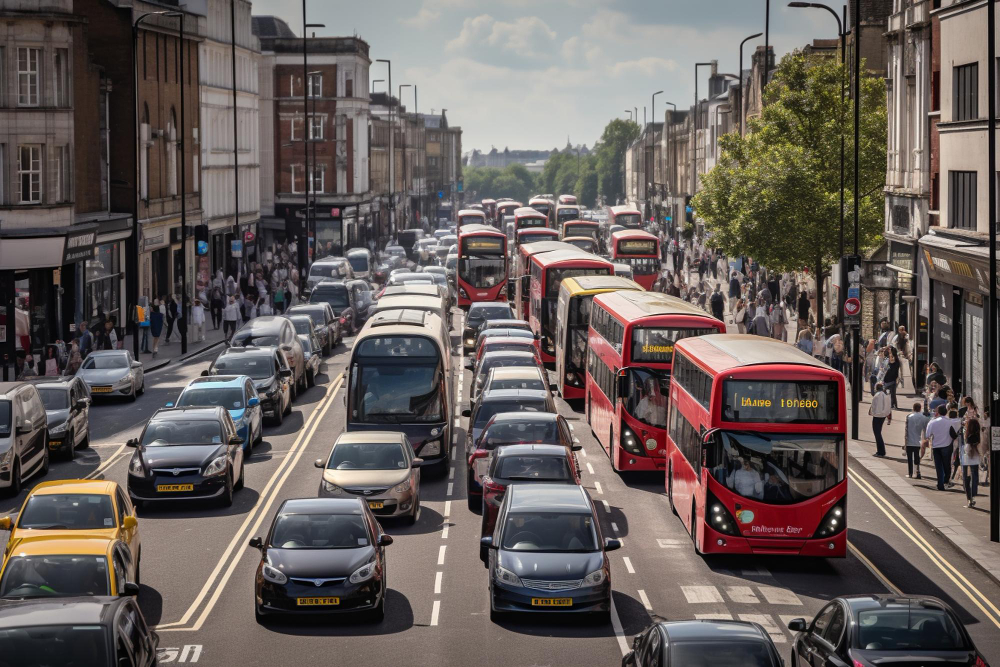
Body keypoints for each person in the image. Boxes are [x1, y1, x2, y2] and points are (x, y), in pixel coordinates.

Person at [926, 404, 958, 491]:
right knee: (947, 465)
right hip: (947, 446)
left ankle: (940, 484)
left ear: (938, 412)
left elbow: (927, 435)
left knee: (938, 466)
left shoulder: (932, 422)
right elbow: (954, 434)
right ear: (946, 412)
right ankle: (945, 481)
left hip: (936, 446)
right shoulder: (950, 422)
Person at [903, 402, 929, 479]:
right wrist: (925, 440)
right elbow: (925, 430)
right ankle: (917, 472)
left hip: (909, 441)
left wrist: (905, 442)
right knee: (917, 457)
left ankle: (910, 473)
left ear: (913, 408)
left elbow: (906, 430)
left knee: (910, 458)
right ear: (920, 408)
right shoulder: (924, 418)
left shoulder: (909, 416)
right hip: (918, 441)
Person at [961, 416, 981, 507]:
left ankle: (969, 498)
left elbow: (967, 449)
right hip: (976, 459)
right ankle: (973, 496)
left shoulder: (968, 436)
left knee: (966, 478)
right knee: (975, 476)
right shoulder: (978, 436)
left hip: (967, 459)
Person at [869, 383, 892, 457]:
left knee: (877, 433)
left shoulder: (877, 395)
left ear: (876, 388)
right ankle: (881, 451)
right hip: (883, 415)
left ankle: (881, 451)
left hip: (877, 416)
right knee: (878, 433)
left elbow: (875, 406)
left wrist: (873, 413)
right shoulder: (885, 395)